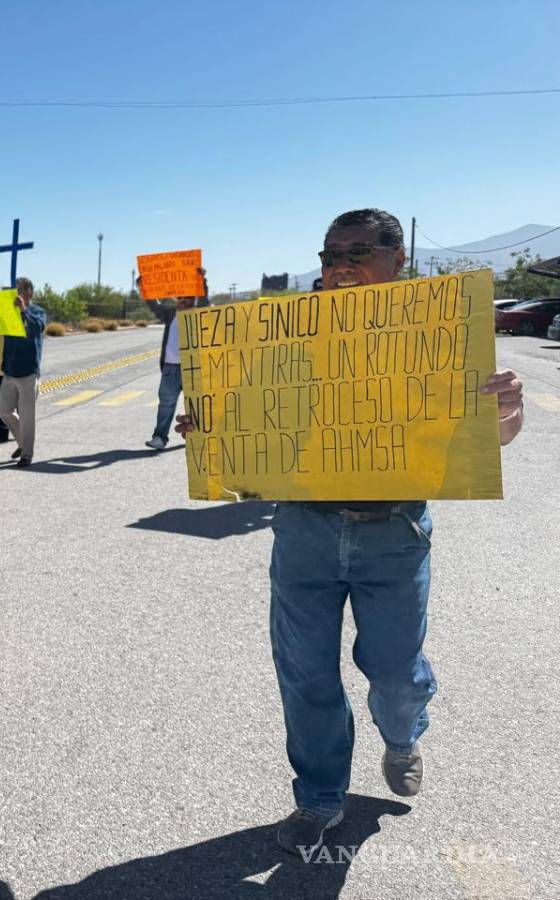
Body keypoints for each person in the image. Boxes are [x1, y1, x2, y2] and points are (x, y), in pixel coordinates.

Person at [177, 208, 525, 856]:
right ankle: (319, 796)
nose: (339, 267)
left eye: (358, 252)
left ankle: (403, 734)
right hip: (304, 531)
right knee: (306, 676)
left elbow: (490, 435)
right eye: (330, 254)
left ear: (398, 261)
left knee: (393, 674)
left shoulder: (436, 332)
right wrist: (209, 434)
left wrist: (507, 410)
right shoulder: (285, 337)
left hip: (394, 536)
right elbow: (247, 424)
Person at [0, 277, 47, 467]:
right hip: (10, 370)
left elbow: (36, 328)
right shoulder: (8, 312)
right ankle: (22, 442)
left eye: (19, 291)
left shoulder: (37, 312)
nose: (16, 295)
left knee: (27, 416)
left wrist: (23, 310)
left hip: (28, 372)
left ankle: (27, 453)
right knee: (4, 411)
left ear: (29, 293)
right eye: (14, 290)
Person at [142, 284, 196, 451]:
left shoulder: (200, 314)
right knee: (166, 404)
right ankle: (159, 437)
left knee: (197, 405)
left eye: (188, 297)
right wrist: (144, 287)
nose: (184, 300)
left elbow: (205, 299)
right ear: (176, 299)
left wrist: (201, 280)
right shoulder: (170, 314)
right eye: (180, 297)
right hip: (170, 368)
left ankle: (197, 436)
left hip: (193, 368)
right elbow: (154, 305)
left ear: (194, 298)